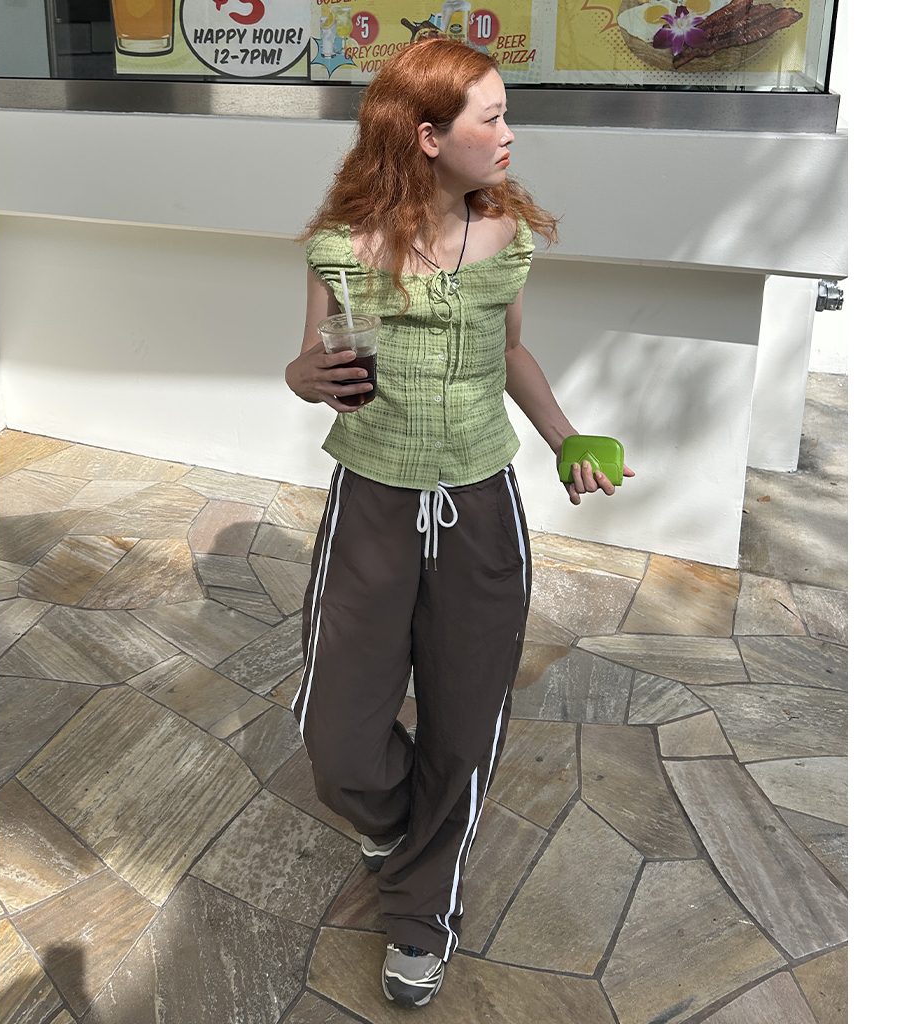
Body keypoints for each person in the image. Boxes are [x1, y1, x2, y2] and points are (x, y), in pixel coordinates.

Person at [285, 37, 633, 1008]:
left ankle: (421, 911)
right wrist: (302, 375)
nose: (511, 134)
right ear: (428, 136)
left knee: (463, 727)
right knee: (336, 737)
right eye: (493, 116)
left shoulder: (506, 238)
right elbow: (310, 363)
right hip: (372, 503)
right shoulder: (339, 246)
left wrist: (564, 437)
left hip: (480, 511)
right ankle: (397, 821)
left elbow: (512, 350)